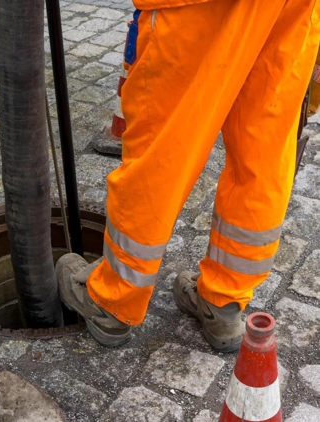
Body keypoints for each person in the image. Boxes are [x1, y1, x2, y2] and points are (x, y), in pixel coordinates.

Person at [56, 0, 320, 351]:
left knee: (163, 150)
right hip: (291, 7)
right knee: (262, 154)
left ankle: (113, 300)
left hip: (198, 7)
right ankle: (224, 301)